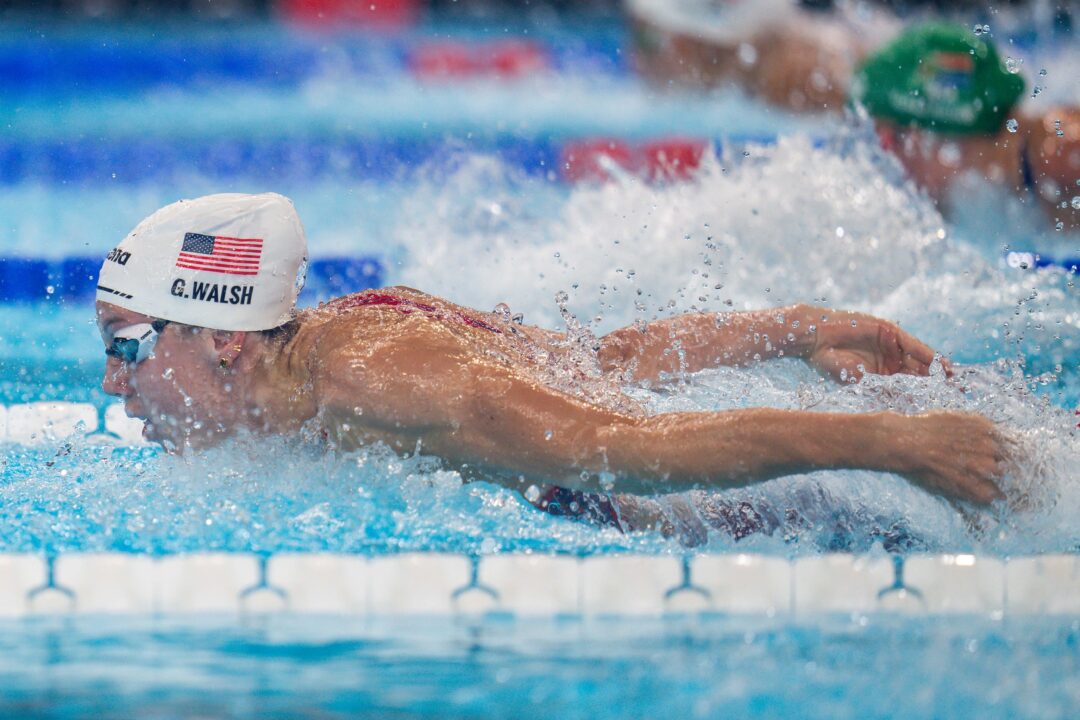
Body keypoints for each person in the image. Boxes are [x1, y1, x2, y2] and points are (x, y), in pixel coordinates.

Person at [96, 194, 1009, 539]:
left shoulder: (375, 379)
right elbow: (587, 361)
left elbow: (625, 443)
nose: (112, 383)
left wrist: (895, 441)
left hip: (718, 519)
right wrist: (798, 330)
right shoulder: (341, 334)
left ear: (222, 337)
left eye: (125, 346)